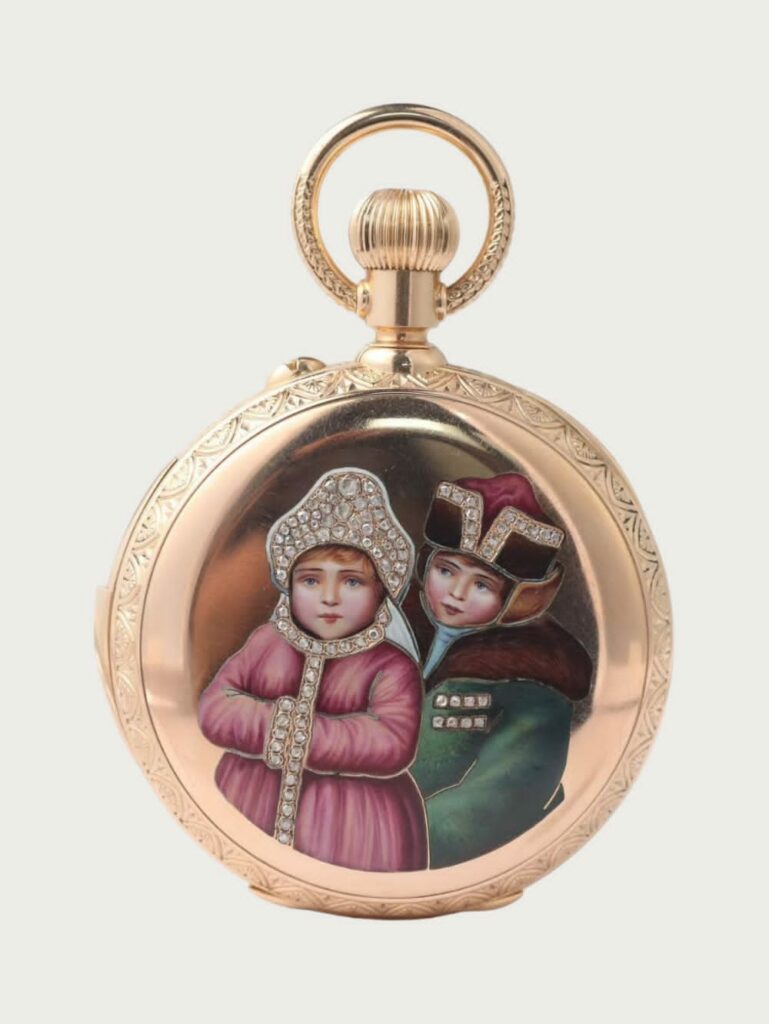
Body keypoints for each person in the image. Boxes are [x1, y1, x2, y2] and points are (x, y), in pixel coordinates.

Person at [198, 468, 428, 872]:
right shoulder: (267, 642)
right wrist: (280, 725)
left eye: (352, 582)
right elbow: (214, 708)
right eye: (310, 581)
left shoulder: (391, 665)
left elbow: (392, 741)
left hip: (357, 820)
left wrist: (299, 735)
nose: (329, 598)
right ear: (289, 584)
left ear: (381, 593)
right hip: (251, 797)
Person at [403, 473, 594, 868]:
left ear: (518, 600)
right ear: (425, 565)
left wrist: (389, 838)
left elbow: (497, 801)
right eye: (446, 571)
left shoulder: (534, 686)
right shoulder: (391, 629)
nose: (456, 593)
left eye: (482, 586)